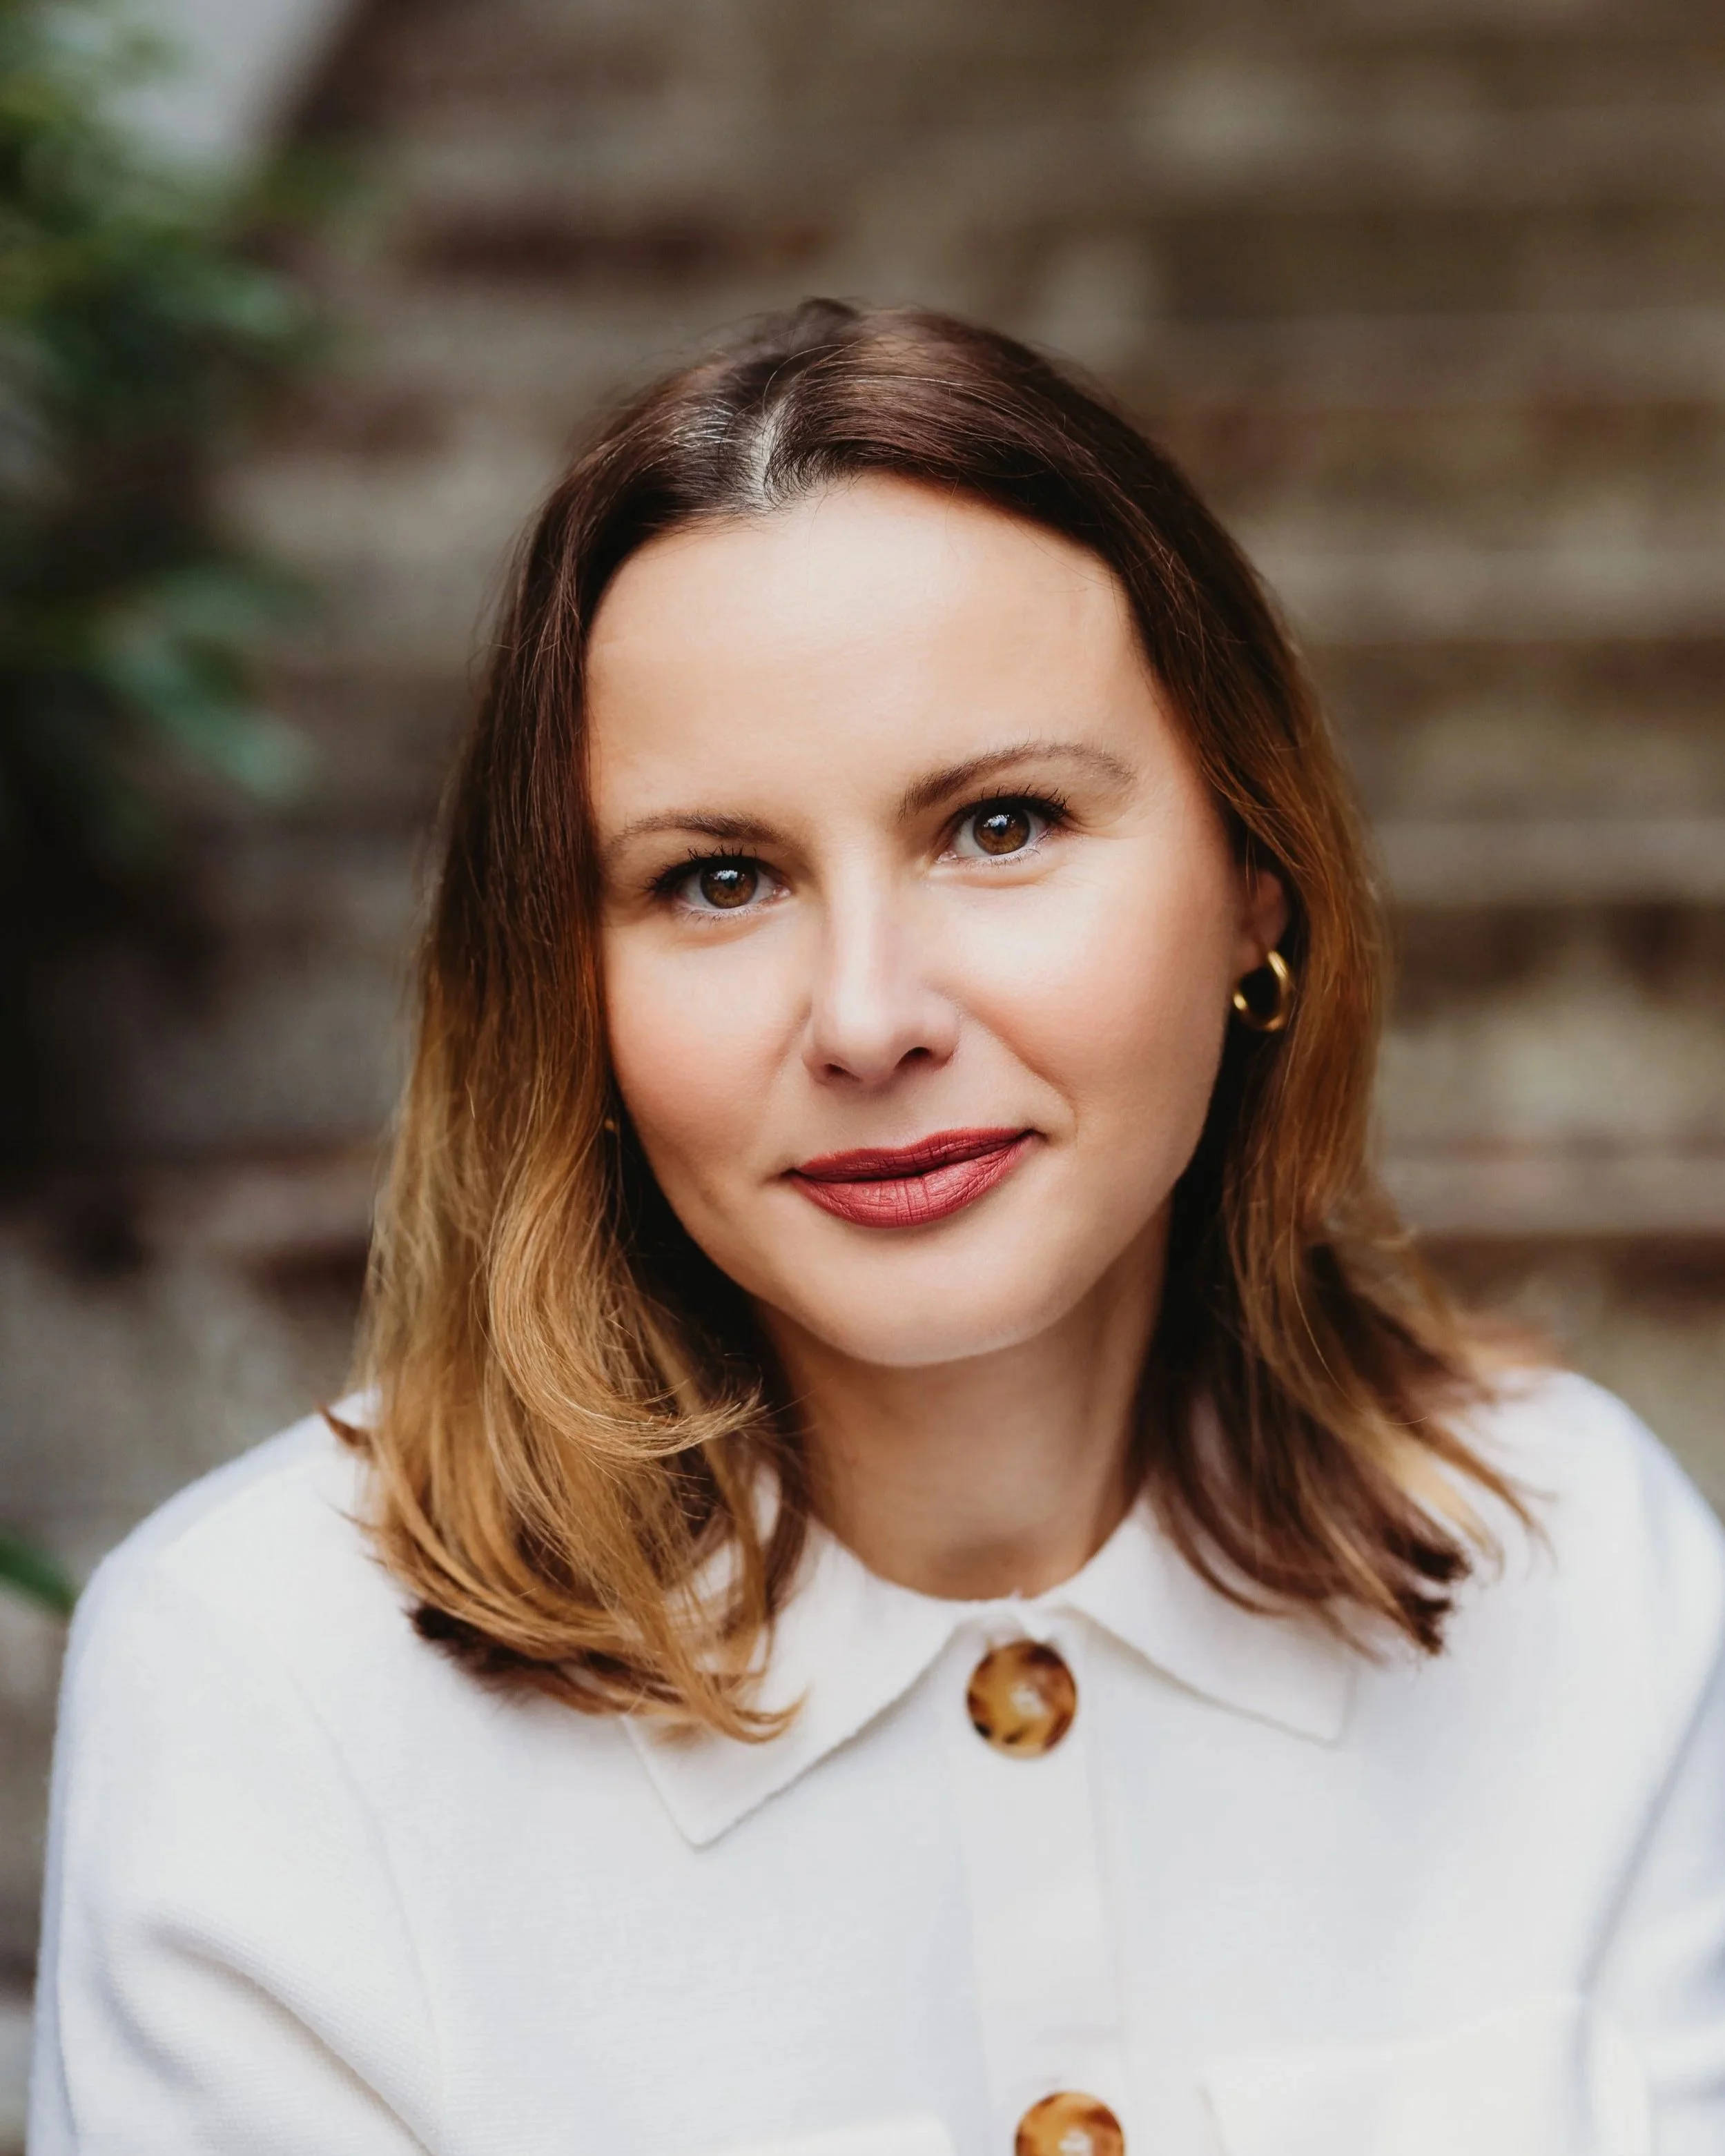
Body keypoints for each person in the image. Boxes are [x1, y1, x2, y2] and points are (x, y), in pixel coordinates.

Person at [28, 300, 1725, 2156]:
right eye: (718, 878)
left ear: (1259, 884)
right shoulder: (268, 1690)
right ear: (565, 989)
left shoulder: (1580, 1568)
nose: (865, 1015)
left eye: (1000, 823)